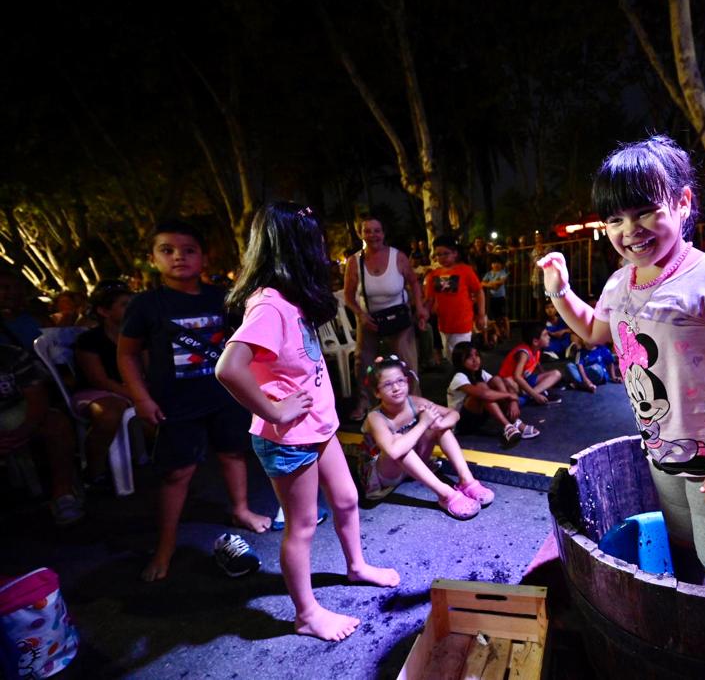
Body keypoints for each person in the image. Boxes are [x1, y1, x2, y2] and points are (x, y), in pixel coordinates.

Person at [537, 135, 705, 592]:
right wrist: (560, 290)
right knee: (683, 546)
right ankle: (695, 623)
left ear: (682, 203)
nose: (630, 229)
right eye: (615, 219)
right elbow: (596, 331)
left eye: (646, 211)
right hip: (665, 451)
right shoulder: (620, 283)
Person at [217, 202, 399, 641]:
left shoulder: (291, 299)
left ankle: (355, 567)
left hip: (317, 428)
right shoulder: (269, 305)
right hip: (289, 436)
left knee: (347, 499)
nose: (324, 253)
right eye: (315, 244)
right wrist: (275, 411)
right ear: (292, 249)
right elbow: (229, 367)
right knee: (301, 526)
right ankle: (306, 614)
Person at [118, 220, 271, 582]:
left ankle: (241, 510)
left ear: (203, 257)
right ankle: (166, 546)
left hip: (224, 396)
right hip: (175, 402)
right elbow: (126, 354)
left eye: (188, 250)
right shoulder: (146, 305)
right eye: (167, 250)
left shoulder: (223, 297)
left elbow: (245, 341)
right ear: (153, 258)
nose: (178, 258)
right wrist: (140, 398)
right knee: (177, 473)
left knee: (233, 453)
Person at [358, 355, 494, 519]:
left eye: (400, 381)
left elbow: (452, 414)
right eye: (387, 384)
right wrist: (423, 423)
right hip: (385, 475)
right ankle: (446, 495)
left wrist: (440, 425)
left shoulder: (413, 402)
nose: (396, 388)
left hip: (411, 465)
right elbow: (394, 452)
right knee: (401, 443)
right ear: (376, 392)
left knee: (438, 422)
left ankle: (467, 480)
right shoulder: (376, 417)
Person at [342, 217, 428, 422]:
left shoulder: (398, 256)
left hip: (398, 317)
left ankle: (414, 402)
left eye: (377, 231)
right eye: (368, 231)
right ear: (361, 234)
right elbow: (348, 295)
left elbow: (414, 283)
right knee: (363, 361)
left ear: (384, 233)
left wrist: (420, 307)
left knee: (408, 361)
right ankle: (365, 402)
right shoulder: (355, 261)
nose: (373, 235)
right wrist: (361, 316)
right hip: (370, 318)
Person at [0, 342, 83, 525]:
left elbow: (37, 396)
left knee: (56, 423)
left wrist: (26, 429)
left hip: (16, 409)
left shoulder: (11, 354)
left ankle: (63, 494)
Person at [72, 281, 135, 486]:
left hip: (132, 388)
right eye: (125, 304)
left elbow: (148, 368)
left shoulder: (138, 336)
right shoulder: (89, 340)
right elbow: (98, 379)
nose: (132, 308)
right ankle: (93, 473)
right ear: (104, 311)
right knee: (109, 412)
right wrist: (135, 393)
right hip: (97, 392)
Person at [446, 342, 539, 448]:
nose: (475, 360)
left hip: (477, 417)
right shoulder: (458, 377)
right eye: (468, 357)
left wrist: (513, 401)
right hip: (461, 424)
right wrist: (510, 396)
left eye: (476, 355)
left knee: (496, 380)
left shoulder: (480, 373)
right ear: (460, 362)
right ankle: (507, 426)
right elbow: (485, 394)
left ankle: (515, 423)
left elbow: (500, 383)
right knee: (483, 388)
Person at [422, 235, 485, 360]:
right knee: (451, 358)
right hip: (444, 325)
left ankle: (468, 378)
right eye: (439, 254)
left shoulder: (465, 270)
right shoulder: (433, 275)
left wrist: (481, 315)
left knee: (463, 358)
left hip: (462, 323)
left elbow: (479, 291)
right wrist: (424, 316)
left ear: (455, 253)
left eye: (446, 253)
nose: (442, 257)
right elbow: (429, 300)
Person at [496, 323, 562, 405]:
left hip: (525, 380)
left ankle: (527, 396)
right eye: (545, 335)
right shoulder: (524, 353)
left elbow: (537, 364)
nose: (549, 337)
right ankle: (530, 396)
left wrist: (546, 379)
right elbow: (517, 377)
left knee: (556, 374)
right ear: (535, 341)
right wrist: (536, 395)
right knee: (511, 384)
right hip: (511, 383)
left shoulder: (537, 350)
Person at [480, 256, 510, 345]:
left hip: (501, 297)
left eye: (498, 263)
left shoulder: (502, 272)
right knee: (494, 317)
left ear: (501, 265)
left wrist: (489, 283)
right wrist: (492, 285)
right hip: (492, 298)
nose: (495, 265)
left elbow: (501, 282)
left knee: (504, 316)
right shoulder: (489, 273)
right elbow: (482, 283)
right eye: (494, 263)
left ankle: (507, 334)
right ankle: (499, 333)